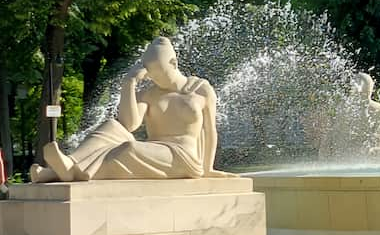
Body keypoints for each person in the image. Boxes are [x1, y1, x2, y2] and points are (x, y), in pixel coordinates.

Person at [30, 36, 233, 182]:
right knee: (111, 126)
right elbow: (129, 124)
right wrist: (129, 84)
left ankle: (66, 172)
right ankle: (66, 166)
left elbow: (210, 130)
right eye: (151, 74)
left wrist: (208, 169)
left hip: (184, 158)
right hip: (156, 151)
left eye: (160, 73)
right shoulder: (149, 94)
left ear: (174, 63)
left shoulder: (200, 89)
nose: (155, 79)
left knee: (129, 149)